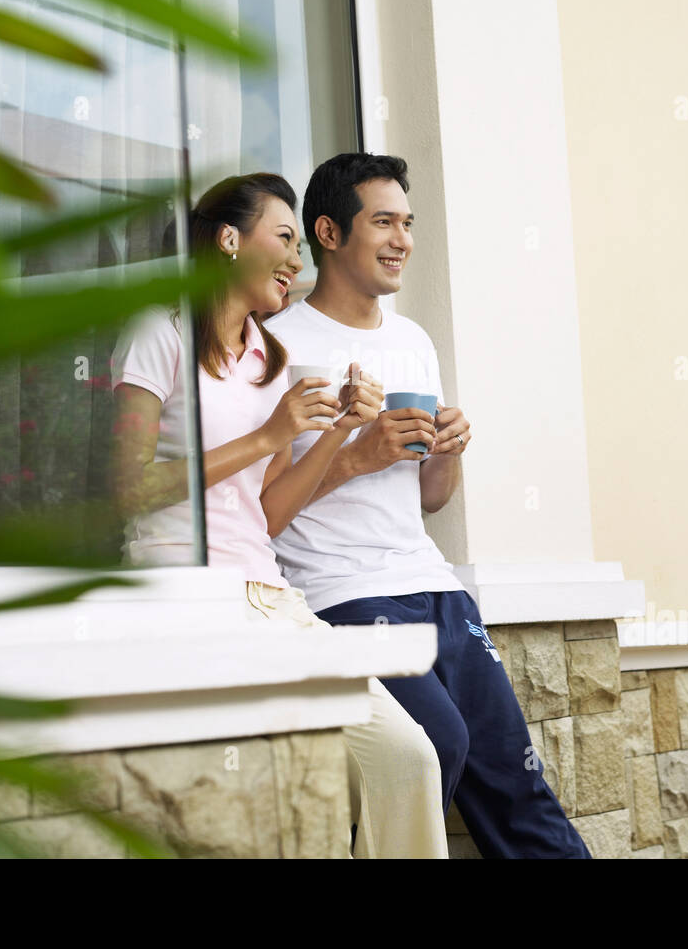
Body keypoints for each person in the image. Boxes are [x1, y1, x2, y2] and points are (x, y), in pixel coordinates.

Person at [109, 172, 447, 859]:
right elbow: (125, 488)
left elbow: (264, 515)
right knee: (272, 799)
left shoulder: (271, 358)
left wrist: (337, 432)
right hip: (184, 594)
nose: (297, 261)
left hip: (270, 599)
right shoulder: (160, 331)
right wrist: (267, 437)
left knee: (407, 757)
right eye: (284, 239)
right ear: (229, 241)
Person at [265, 153, 591, 859]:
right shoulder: (280, 344)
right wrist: (357, 453)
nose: (402, 239)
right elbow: (260, 509)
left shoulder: (412, 340)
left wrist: (448, 448)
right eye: (382, 221)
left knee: (514, 777)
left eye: (407, 223)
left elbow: (431, 498)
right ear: (327, 231)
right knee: (434, 750)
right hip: (341, 592)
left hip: (434, 585)